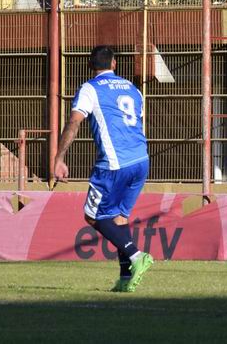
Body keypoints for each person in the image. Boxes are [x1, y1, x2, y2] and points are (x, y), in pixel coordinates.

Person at [54, 45, 152, 292]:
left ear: (90, 66)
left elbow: (74, 122)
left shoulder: (90, 88)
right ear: (114, 64)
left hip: (114, 163)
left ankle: (136, 255)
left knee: (93, 216)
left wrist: (59, 157)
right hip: (141, 159)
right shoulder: (132, 88)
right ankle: (125, 279)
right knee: (119, 218)